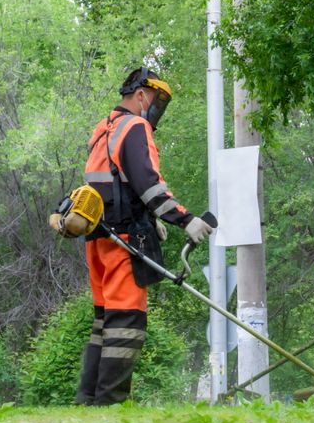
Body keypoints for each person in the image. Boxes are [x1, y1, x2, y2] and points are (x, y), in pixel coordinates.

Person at [76, 67, 213, 405]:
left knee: (103, 324)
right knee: (126, 323)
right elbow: (149, 183)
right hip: (123, 241)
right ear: (140, 95)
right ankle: (109, 404)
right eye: (154, 101)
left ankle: (87, 400)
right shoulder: (135, 127)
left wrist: (151, 217)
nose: (154, 111)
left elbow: (114, 182)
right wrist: (185, 220)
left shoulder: (104, 127)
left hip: (97, 238)